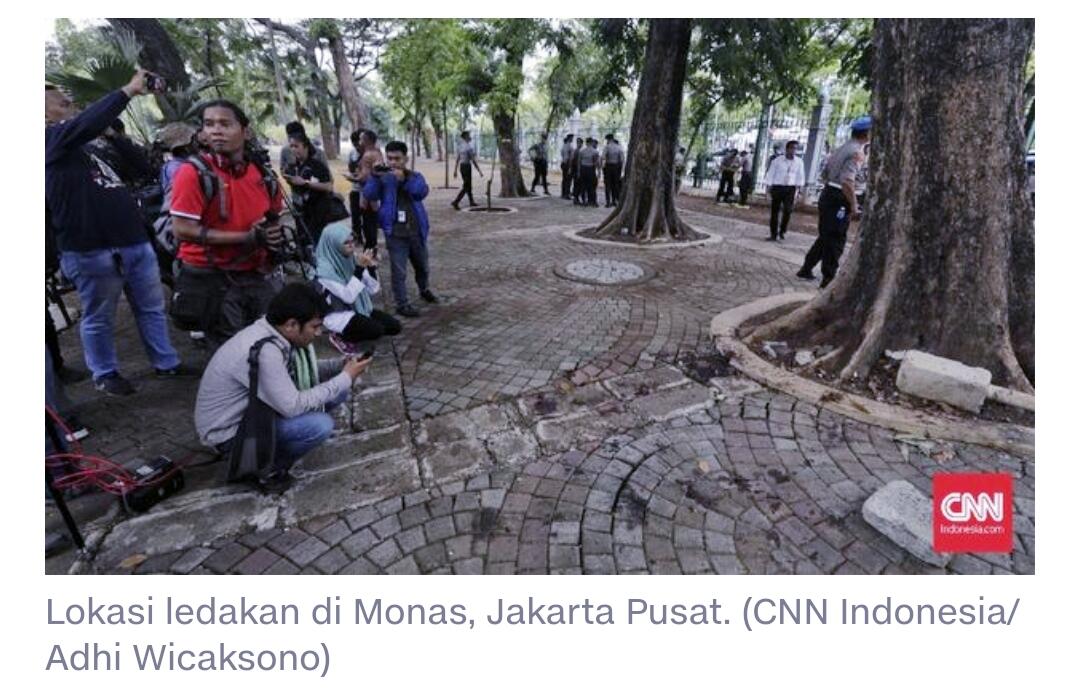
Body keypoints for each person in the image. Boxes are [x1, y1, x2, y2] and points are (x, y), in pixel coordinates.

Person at [45, 72, 196, 396]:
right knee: (99, 315)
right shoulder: (47, 141)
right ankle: (105, 372)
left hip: (133, 242)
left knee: (151, 308)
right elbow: (82, 123)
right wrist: (127, 90)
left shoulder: (91, 148)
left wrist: (114, 136)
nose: (71, 103)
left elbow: (142, 170)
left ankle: (166, 362)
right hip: (91, 249)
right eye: (62, 101)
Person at [194, 283, 371, 492]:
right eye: (314, 326)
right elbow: (292, 406)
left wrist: (340, 367)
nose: (318, 333)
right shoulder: (266, 350)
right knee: (320, 425)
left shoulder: (272, 332)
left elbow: (303, 371)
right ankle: (266, 468)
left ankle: (274, 448)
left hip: (254, 414)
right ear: (291, 325)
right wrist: (345, 377)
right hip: (230, 434)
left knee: (338, 390)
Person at [169, 99, 286, 348]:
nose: (216, 130)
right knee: (233, 354)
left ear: (245, 131)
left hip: (256, 276)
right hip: (214, 281)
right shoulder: (193, 173)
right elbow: (183, 230)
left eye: (225, 124)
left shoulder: (262, 174)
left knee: (270, 345)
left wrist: (271, 237)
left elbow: (274, 215)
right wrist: (247, 237)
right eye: (209, 124)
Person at [364, 140, 439, 318]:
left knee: (423, 266)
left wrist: (404, 179)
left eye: (397, 158)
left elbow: (421, 192)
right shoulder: (382, 177)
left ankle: (424, 289)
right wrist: (374, 176)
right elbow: (369, 194)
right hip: (395, 233)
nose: (393, 163)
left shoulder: (415, 176)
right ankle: (402, 304)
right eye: (389, 158)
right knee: (399, 271)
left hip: (416, 231)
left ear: (405, 158)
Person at [797, 116, 871, 288]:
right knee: (836, 239)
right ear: (866, 132)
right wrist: (853, 204)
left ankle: (807, 268)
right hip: (839, 198)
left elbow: (825, 174)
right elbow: (847, 181)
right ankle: (828, 278)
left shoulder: (841, 148)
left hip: (829, 194)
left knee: (826, 236)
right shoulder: (856, 153)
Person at [313, 220, 401, 353]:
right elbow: (348, 297)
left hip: (360, 308)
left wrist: (371, 267)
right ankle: (339, 336)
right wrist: (359, 269)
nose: (351, 246)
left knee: (394, 327)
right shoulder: (324, 270)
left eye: (352, 241)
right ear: (334, 245)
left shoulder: (350, 258)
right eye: (346, 243)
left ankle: (359, 328)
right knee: (376, 330)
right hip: (340, 313)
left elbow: (373, 289)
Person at [283, 131, 336, 246]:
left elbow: (328, 186)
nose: (293, 149)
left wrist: (306, 183)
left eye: (296, 146)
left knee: (318, 243)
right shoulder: (293, 167)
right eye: (291, 146)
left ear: (305, 146)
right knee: (304, 243)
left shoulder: (317, 165)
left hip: (318, 212)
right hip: (301, 211)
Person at [763, 140, 806, 241]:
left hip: (790, 189)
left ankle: (782, 230)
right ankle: (773, 233)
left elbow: (800, 176)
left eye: (795, 149)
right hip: (778, 187)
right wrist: (768, 187)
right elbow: (770, 174)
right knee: (775, 211)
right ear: (787, 149)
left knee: (788, 210)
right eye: (791, 148)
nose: (793, 151)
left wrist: (799, 190)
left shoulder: (799, 162)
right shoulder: (777, 161)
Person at [451, 130, 483, 209]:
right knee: (466, 186)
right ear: (465, 137)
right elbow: (473, 160)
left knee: (468, 185)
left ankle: (471, 201)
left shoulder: (460, 146)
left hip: (462, 167)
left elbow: (458, 159)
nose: (470, 137)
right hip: (467, 167)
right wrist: (479, 171)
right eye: (469, 135)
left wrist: (455, 170)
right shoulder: (468, 147)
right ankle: (456, 201)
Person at [602, 134, 624, 207]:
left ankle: (608, 202)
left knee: (608, 185)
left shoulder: (607, 147)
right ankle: (614, 201)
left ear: (608, 139)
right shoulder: (619, 147)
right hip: (616, 167)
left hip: (608, 166)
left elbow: (603, 157)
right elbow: (621, 160)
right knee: (616, 185)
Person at [577, 137, 600, 207]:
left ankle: (584, 201)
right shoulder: (595, 151)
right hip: (591, 169)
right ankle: (592, 201)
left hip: (583, 169)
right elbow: (596, 163)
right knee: (592, 186)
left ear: (586, 143)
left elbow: (579, 162)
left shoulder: (582, 151)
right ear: (592, 142)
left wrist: (578, 172)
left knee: (583, 186)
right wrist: (598, 171)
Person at [559, 134, 575, 199]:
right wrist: (570, 167)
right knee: (568, 180)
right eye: (572, 138)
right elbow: (571, 158)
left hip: (563, 163)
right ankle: (567, 194)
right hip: (568, 164)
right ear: (569, 138)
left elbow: (562, 155)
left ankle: (563, 193)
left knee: (564, 179)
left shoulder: (563, 146)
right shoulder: (570, 147)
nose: (572, 139)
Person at [570, 137, 585, 204]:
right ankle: (576, 198)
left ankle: (576, 198)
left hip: (579, 169)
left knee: (579, 184)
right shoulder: (576, 151)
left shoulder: (580, 151)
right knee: (577, 184)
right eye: (577, 142)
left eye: (579, 142)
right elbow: (572, 160)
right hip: (576, 169)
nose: (578, 144)